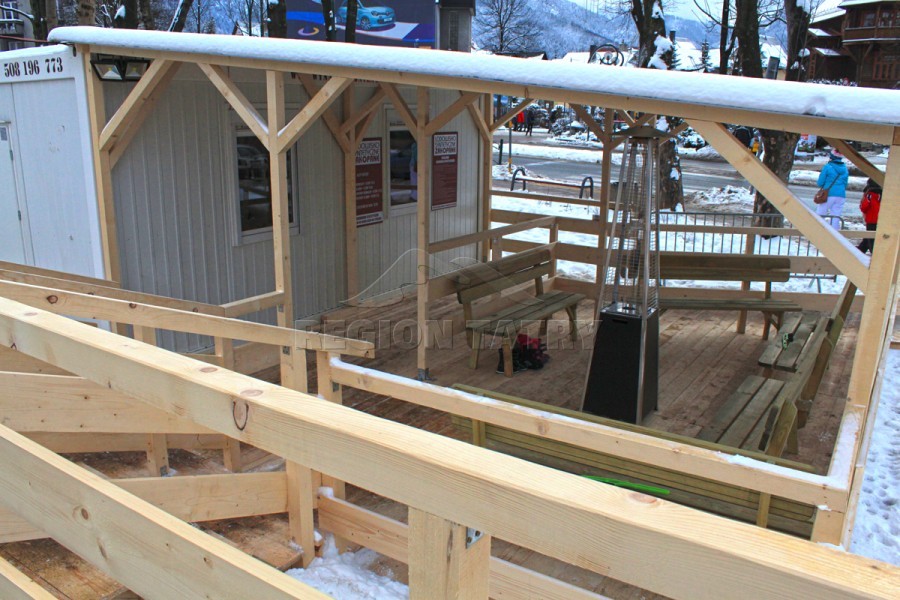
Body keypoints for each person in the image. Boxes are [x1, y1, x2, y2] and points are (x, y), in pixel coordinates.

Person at [816, 149, 849, 229]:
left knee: (820, 214)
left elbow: (820, 182)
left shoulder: (828, 167)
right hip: (841, 195)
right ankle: (834, 233)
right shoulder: (845, 169)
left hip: (828, 194)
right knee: (836, 216)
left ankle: (818, 231)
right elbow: (845, 183)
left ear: (831, 157)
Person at [858, 179, 882, 255]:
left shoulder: (869, 195)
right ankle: (861, 249)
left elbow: (864, 207)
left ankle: (874, 253)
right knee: (869, 237)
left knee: (871, 238)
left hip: (871, 219)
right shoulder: (882, 194)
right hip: (881, 219)